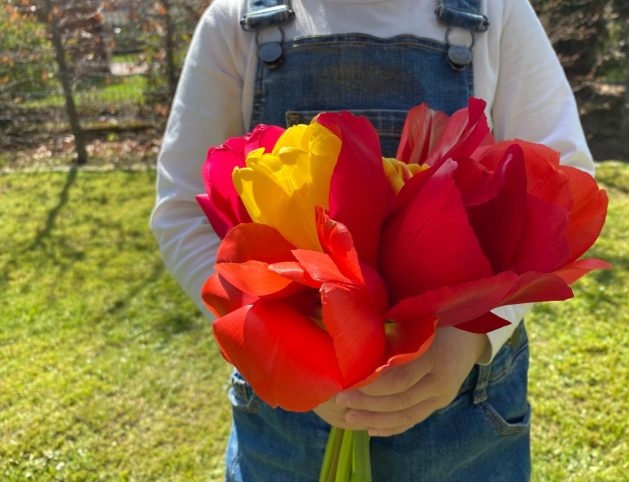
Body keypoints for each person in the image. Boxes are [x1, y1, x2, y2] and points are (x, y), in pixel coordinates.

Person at [150, 0, 594, 480]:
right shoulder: (236, 22)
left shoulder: (497, 12)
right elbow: (181, 212)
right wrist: (287, 348)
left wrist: (469, 339)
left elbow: (560, 184)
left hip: (463, 410)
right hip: (289, 425)